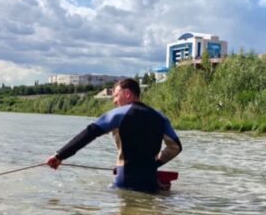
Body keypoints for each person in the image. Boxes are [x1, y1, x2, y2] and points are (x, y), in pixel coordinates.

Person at [46, 78, 182, 193]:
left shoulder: (119, 114)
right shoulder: (160, 116)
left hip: (124, 180)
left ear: (127, 94)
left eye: (116, 96)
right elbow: (175, 147)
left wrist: (59, 156)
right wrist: (155, 164)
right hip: (151, 184)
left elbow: (89, 133)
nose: (114, 101)